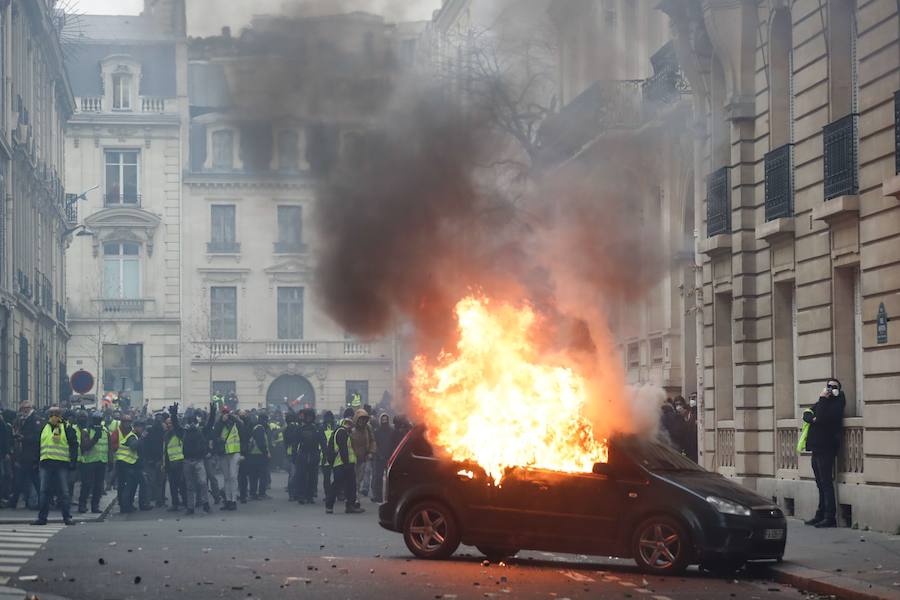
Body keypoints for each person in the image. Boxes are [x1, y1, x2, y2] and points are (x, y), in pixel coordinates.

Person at [803, 378, 846, 528]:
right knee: (819, 483)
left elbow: (821, 417)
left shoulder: (837, 403)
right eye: (828, 386)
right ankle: (820, 514)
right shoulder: (822, 402)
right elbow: (807, 413)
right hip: (816, 447)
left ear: (838, 390)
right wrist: (813, 417)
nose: (830, 389)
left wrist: (822, 400)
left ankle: (829, 517)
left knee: (826, 483)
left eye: (833, 387)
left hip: (827, 448)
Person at [32, 407, 77, 526]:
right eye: (52, 413)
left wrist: (73, 461)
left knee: (64, 492)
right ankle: (42, 518)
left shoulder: (67, 428)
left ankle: (67, 517)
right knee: (44, 492)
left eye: (56, 414)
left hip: (61, 464)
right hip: (45, 464)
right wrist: (35, 461)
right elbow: (38, 445)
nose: (54, 416)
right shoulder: (43, 427)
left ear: (61, 415)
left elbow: (74, 445)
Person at [172, 406, 211, 515]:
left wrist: (211, 414)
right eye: (191, 422)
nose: (193, 424)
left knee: (202, 483)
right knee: (190, 485)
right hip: (188, 461)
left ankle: (205, 503)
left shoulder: (200, 431)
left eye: (194, 422)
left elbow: (210, 425)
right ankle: (191, 507)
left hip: (198, 460)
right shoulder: (184, 432)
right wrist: (174, 415)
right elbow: (176, 426)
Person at [325, 417, 364, 514]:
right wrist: (346, 463)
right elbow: (343, 449)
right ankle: (346, 506)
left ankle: (335, 506)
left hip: (342, 463)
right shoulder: (342, 432)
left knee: (346, 485)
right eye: (347, 424)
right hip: (343, 464)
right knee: (345, 485)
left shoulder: (341, 432)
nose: (349, 426)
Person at [10, 402, 41, 510]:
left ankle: (40, 501)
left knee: (33, 480)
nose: (22, 411)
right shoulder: (24, 419)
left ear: (28, 408)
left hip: (31, 455)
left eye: (24, 409)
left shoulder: (34, 419)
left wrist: (23, 438)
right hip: (24, 455)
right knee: (23, 479)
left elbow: (37, 438)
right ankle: (15, 501)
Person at [77, 411, 109, 514]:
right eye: (96, 419)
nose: (98, 422)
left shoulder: (105, 431)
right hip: (89, 462)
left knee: (98, 486)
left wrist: (111, 461)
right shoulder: (86, 431)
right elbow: (85, 446)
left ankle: (95, 506)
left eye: (99, 420)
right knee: (86, 484)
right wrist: (95, 438)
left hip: (102, 461)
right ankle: (82, 505)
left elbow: (109, 448)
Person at [212, 404, 243, 511]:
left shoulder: (235, 423)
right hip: (223, 453)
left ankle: (233, 500)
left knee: (233, 477)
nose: (225, 415)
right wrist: (221, 422)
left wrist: (234, 419)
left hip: (234, 452)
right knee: (226, 478)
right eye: (223, 412)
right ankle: (228, 500)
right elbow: (214, 435)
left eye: (227, 412)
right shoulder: (218, 424)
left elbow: (244, 431)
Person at [294, 408, 323, 504]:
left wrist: (324, 453)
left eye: (310, 417)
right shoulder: (300, 429)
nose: (308, 418)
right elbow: (295, 443)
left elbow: (322, 442)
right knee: (301, 476)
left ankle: (310, 495)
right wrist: (294, 455)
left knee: (312, 477)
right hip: (303, 454)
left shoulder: (317, 429)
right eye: (307, 417)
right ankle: (301, 495)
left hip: (313, 454)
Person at [115, 415, 142, 513]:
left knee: (128, 486)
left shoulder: (132, 434)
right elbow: (133, 446)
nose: (127, 424)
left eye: (128, 422)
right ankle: (125, 506)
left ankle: (127, 505)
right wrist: (142, 438)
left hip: (127, 463)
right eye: (125, 422)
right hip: (125, 464)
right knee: (127, 486)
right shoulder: (132, 436)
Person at [163, 405, 187, 512]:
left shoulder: (179, 432)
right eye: (167, 423)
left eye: (171, 423)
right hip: (170, 463)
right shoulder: (166, 435)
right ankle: (175, 504)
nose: (169, 425)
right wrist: (164, 464)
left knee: (182, 484)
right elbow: (165, 451)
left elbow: (177, 425)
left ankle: (186, 501)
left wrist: (173, 415)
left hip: (180, 462)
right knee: (172, 485)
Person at [350, 409, 375, 502]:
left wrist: (371, 452)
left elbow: (373, 440)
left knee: (360, 478)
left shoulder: (368, 428)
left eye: (364, 419)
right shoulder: (351, 429)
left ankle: (356, 497)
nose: (362, 421)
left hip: (364, 457)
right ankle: (353, 498)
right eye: (360, 419)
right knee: (354, 479)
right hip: (353, 458)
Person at [242, 413, 269, 500]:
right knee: (262, 475)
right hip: (259, 455)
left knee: (253, 476)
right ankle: (262, 493)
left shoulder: (254, 427)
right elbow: (261, 443)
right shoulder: (260, 428)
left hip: (252, 455)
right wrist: (266, 453)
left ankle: (253, 493)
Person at [371, 413, 393, 503]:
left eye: (386, 419)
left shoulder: (392, 431)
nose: (385, 421)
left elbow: (393, 444)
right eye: (383, 419)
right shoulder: (377, 432)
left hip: (389, 457)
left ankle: (389, 496)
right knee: (377, 477)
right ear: (380, 420)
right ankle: (377, 496)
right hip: (379, 458)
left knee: (390, 478)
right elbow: (375, 444)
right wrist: (378, 454)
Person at [319, 411, 336, 501]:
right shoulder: (321, 428)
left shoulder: (336, 427)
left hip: (336, 455)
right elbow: (321, 442)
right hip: (325, 456)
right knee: (327, 477)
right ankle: (328, 494)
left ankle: (335, 493)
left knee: (337, 476)